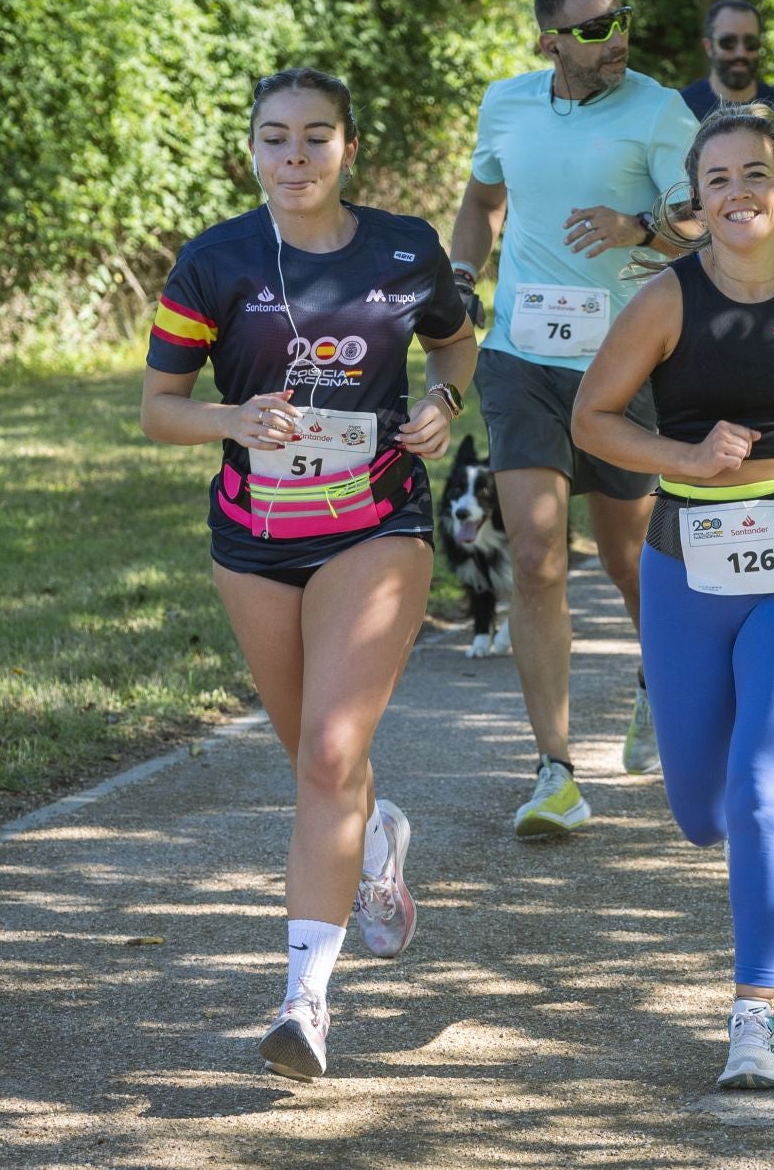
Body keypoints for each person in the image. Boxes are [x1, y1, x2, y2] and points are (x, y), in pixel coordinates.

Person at [140, 68, 476, 1081]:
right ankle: (376, 840)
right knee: (316, 766)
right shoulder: (214, 263)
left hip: (376, 522)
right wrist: (231, 418)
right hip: (254, 535)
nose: (294, 158)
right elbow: (160, 407)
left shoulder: (408, 248)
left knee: (330, 753)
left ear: (349, 148)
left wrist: (445, 407)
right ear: (251, 149)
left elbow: (458, 350)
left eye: (315, 137)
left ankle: (304, 1001)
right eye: (275, 139)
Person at [573, 103, 774, 1090]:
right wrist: (681, 453)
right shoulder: (664, 302)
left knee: (764, 792)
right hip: (685, 568)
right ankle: (733, 849)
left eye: (754, 175)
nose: (736, 195)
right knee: (700, 813)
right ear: (695, 197)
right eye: (716, 180)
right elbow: (594, 419)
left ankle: (755, 1014)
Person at [450, 0, 700, 828]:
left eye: (621, 20)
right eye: (595, 29)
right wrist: (460, 270)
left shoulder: (662, 108)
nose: (615, 38)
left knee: (632, 559)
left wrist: (640, 228)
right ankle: (555, 770)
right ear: (549, 41)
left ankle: (660, 682)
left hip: (622, 363)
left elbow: (704, 210)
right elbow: (483, 199)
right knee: (534, 558)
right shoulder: (507, 103)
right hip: (521, 359)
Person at [681, 0, 774, 226]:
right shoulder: (681, 107)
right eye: (728, 42)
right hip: (698, 250)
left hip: (772, 251)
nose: (740, 53)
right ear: (709, 47)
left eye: (750, 43)